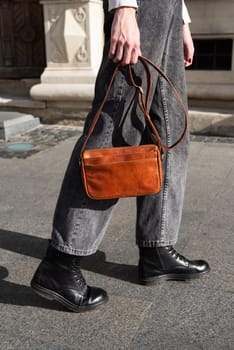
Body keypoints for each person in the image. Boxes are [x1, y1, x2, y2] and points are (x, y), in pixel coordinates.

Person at [31, 0, 210, 312]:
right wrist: (125, 7)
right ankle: (60, 263)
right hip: (144, 5)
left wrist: (180, 20)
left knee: (170, 129)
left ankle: (157, 249)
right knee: (115, 126)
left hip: (166, 10)